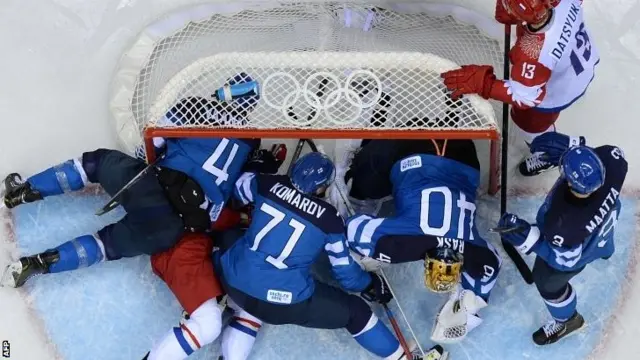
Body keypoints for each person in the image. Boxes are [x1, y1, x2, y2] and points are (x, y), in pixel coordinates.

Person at [0, 73, 261, 288]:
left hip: (154, 188)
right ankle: (33, 266)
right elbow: (241, 192)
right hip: (174, 228)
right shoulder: (250, 144)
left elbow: (147, 148)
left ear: (226, 88)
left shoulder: (197, 106)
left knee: (95, 164)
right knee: (106, 246)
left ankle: (20, 192)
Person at [215, 152, 447, 360]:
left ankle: (220, 301)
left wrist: (257, 167)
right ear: (321, 188)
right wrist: (371, 284)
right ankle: (402, 359)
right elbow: (346, 275)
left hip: (234, 283)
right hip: (283, 302)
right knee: (355, 312)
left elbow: (238, 190)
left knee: (228, 237)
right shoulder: (330, 219)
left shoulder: (266, 183)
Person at [327, 137, 502, 344]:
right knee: (362, 184)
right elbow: (353, 228)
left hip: (463, 149)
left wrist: (470, 305)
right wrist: (373, 256)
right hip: (411, 147)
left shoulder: (474, 251)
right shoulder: (401, 245)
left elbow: (491, 266)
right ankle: (358, 176)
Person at [142, 144, 286, 360]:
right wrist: (243, 218)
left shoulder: (226, 184)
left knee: (253, 307)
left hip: (205, 251)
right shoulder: (216, 192)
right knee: (208, 324)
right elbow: (212, 217)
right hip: (182, 248)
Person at [440, 0, 599, 176]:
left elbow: (525, 97)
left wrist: (484, 83)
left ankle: (548, 154)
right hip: (581, 64)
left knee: (527, 123)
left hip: (558, 90)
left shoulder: (534, 54)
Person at [497, 131, 627, 345]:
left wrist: (529, 240)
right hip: (604, 229)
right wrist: (573, 147)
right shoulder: (614, 161)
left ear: (569, 181)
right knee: (604, 246)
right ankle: (605, 252)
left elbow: (566, 259)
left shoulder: (562, 226)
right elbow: (606, 155)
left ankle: (568, 320)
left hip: (580, 248)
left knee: (546, 282)